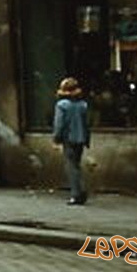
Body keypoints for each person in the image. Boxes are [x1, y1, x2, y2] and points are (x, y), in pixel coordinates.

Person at [52, 76, 90, 206]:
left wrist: (56, 138)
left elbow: (59, 124)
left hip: (68, 138)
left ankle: (76, 193)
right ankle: (81, 190)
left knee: (71, 167)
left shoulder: (62, 105)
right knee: (76, 165)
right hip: (81, 138)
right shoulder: (83, 105)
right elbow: (86, 124)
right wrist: (87, 139)